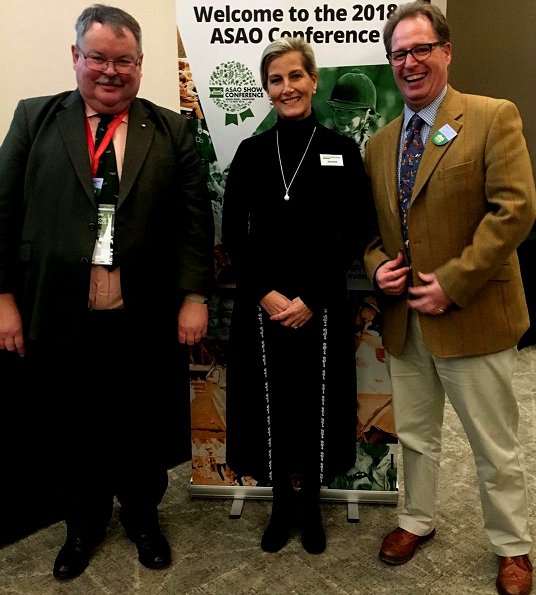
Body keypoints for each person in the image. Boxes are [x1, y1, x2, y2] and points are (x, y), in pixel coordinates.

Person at [0, 4, 214, 581]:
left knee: (142, 423)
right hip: (60, 311)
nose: (111, 71)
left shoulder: (171, 129)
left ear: (140, 65)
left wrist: (195, 296)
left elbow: (196, 223)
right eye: (98, 58)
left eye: (124, 61)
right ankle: (83, 525)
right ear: (76, 57)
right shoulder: (34, 119)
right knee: (72, 427)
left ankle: (143, 518)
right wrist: (3, 298)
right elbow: (2, 211)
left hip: (143, 314)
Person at [362, 3, 535, 595]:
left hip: (472, 313)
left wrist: (454, 283)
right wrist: (377, 268)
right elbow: (371, 233)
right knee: (415, 434)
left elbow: (515, 210)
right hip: (405, 320)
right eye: (399, 54)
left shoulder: (491, 116)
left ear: (446, 51)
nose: (409, 63)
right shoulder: (379, 145)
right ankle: (416, 519)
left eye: (421, 49)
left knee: (494, 443)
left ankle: (512, 546)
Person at [222, 36, 371, 555]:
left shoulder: (342, 150)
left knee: (315, 407)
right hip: (263, 306)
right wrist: (265, 293)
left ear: (313, 80)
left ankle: (311, 506)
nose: (287, 87)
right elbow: (233, 234)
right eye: (276, 79)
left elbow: (355, 232)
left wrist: (311, 297)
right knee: (273, 408)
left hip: (320, 305)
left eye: (295, 76)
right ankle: (281, 504)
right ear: (266, 89)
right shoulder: (251, 152)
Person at [327, 69, 379, 153]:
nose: (343, 117)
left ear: (366, 114)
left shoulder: (373, 149)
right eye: (339, 110)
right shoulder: (325, 144)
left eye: (351, 112)